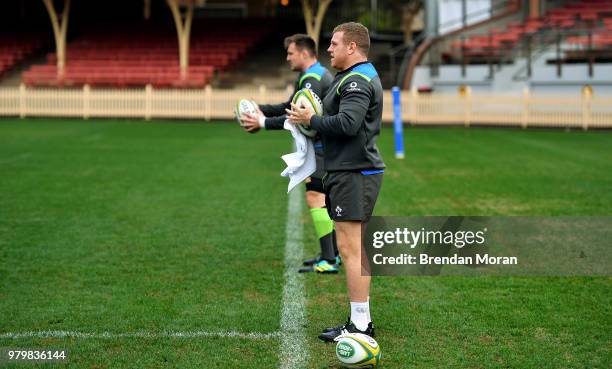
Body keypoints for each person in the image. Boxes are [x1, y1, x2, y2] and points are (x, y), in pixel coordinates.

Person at [286, 22, 385, 342]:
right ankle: (360, 320)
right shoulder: (353, 76)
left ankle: (359, 325)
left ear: (352, 47)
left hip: (354, 173)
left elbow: (348, 123)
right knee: (354, 248)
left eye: (334, 43)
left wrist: (310, 120)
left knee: (350, 249)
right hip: (352, 171)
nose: (328, 49)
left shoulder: (357, 80)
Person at [240, 34, 340, 274]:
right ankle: (331, 253)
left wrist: (262, 123)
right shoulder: (311, 75)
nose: (287, 58)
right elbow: (289, 105)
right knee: (320, 198)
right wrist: (259, 109)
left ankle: (329, 259)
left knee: (316, 197)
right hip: (323, 146)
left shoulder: (312, 81)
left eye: (290, 53)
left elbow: (296, 118)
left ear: (304, 53)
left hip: (323, 147)